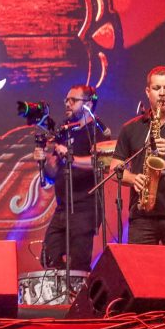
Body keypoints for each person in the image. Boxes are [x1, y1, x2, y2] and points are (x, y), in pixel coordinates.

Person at [32, 85, 110, 271]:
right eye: (66, 100)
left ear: (88, 104)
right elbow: (52, 175)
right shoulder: (65, 131)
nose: (67, 104)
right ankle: (63, 286)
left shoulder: (97, 131)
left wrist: (70, 158)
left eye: (73, 100)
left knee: (78, 264)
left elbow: (101, 163)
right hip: (63, 206)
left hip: (85, 207)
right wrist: (44, 160)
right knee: (49, 256)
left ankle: (79, 288)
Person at [110, 65, 165, 245]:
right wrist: (133, 179)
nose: (162, 93)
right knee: (138, 263)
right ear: (148, 92)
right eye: (157, 88)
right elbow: (114, 169)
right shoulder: (131, 128)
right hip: (142, 216)